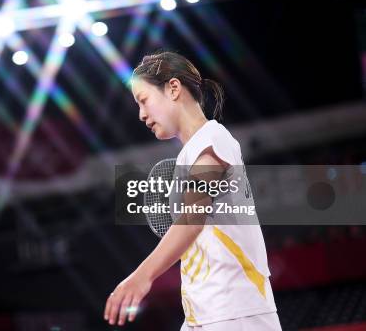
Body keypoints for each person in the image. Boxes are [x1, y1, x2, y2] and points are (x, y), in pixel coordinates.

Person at [104, 51, 282, 330]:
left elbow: (192, 218)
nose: (141, 114)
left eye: (144, 100)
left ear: (173, 88)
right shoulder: (193, 152)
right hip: (204, 313)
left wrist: (142, 276)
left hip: (234, 313)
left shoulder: (212, 139)